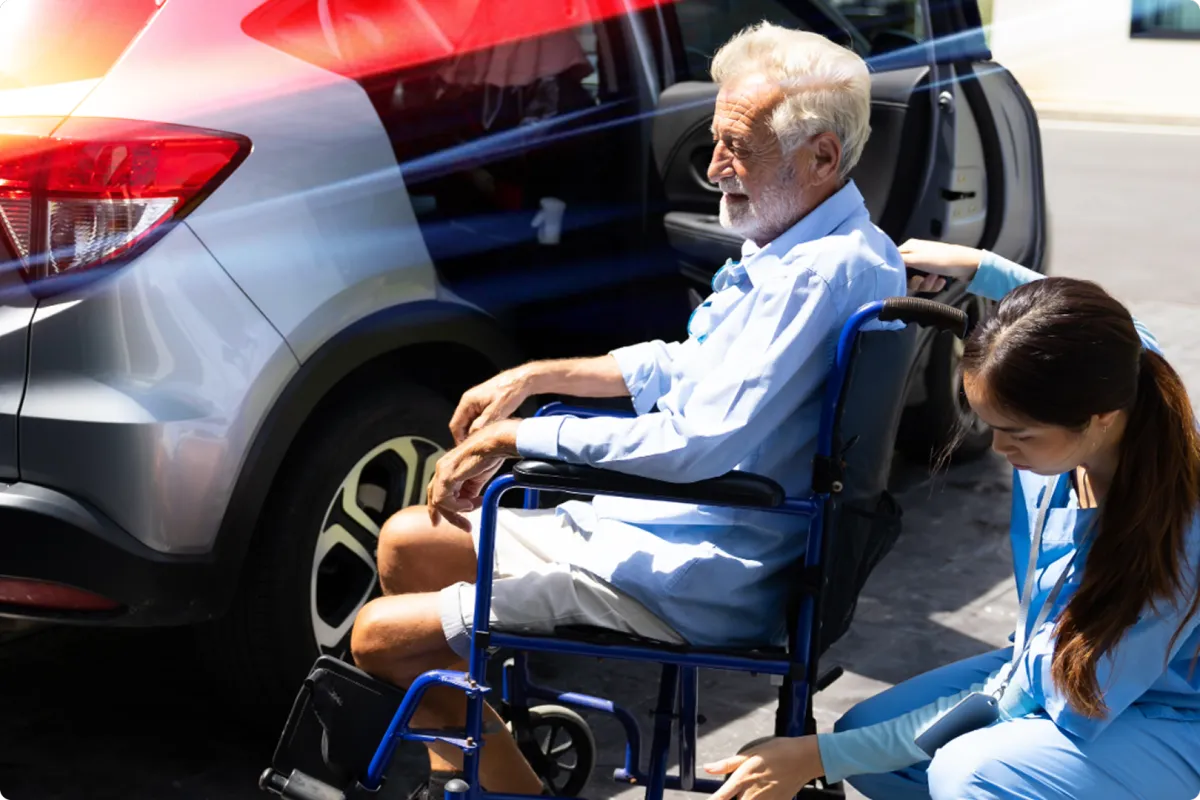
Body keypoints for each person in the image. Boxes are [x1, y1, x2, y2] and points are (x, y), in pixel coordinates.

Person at [349, 22, 906, 800]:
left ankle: (498, 787)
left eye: (737, 150)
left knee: (380, 639)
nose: (715, 169)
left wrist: (525, 436)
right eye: (716, 142)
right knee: (412, 541)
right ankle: (486, 771)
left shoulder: (817, 275)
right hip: (687, 533)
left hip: (700, 568)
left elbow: (701, 440)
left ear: (821, 157)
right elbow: (693, 368)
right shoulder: (819, 248)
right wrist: (538, 377)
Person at [702, 241, 1200, 800]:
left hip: (1166, 717)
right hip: (1058, 667)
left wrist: (818, 757)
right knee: (875, 745)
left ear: (1100, 418)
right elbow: (1103, 328)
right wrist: (977, 266)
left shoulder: (1175, 536)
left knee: (971, 771)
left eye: (1019, 432)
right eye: (990, 423)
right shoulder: (1125, 375)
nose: (998, 446)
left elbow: (1029, 692)